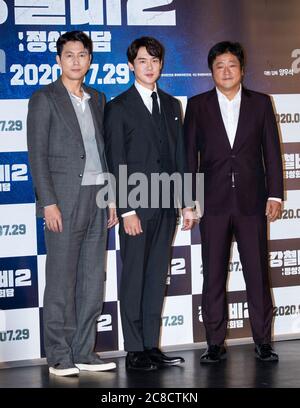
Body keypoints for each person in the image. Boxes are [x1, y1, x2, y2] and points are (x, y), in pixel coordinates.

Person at [184, 41, 283, 363]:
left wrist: (275, 194)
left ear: (242, 69)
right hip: (211, 204)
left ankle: (263, 341)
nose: (225, 71)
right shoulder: (197, 105)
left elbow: (272, 152)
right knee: (212, 274)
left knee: (257, 272)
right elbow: (188, 159)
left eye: (231, 65)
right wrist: (188, 200)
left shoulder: (261, 104)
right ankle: (214, 342)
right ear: (211, 71)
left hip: (252, 202)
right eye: (219, 66)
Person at [27, 31, 118, 377]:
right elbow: (37, 156)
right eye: (69, 55)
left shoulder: (98, 97)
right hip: (63, 202)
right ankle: (59, 355)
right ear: (58, 60)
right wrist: (47, 203)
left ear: (90, 60)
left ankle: (84, 351)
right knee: (62, 282)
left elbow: (104, 152)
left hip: (97, 197)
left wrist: (110, 198)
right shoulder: (44, 98)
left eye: (82, 55)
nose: (76, 61)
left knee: (92, 281)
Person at [104, 36, 194, 371]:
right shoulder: (118, 106)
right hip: (136, 209)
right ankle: (133, 349)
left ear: (161, 64)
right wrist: (126, 209)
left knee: (156, 277)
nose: (149, 67)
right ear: (131, 65)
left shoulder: (172, 105)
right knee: (134, 278)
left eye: (155, 61)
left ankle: (150, 346)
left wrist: (186, 203)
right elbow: (114, 160)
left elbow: (180, 156)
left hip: (167, 206)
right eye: (143, 61)